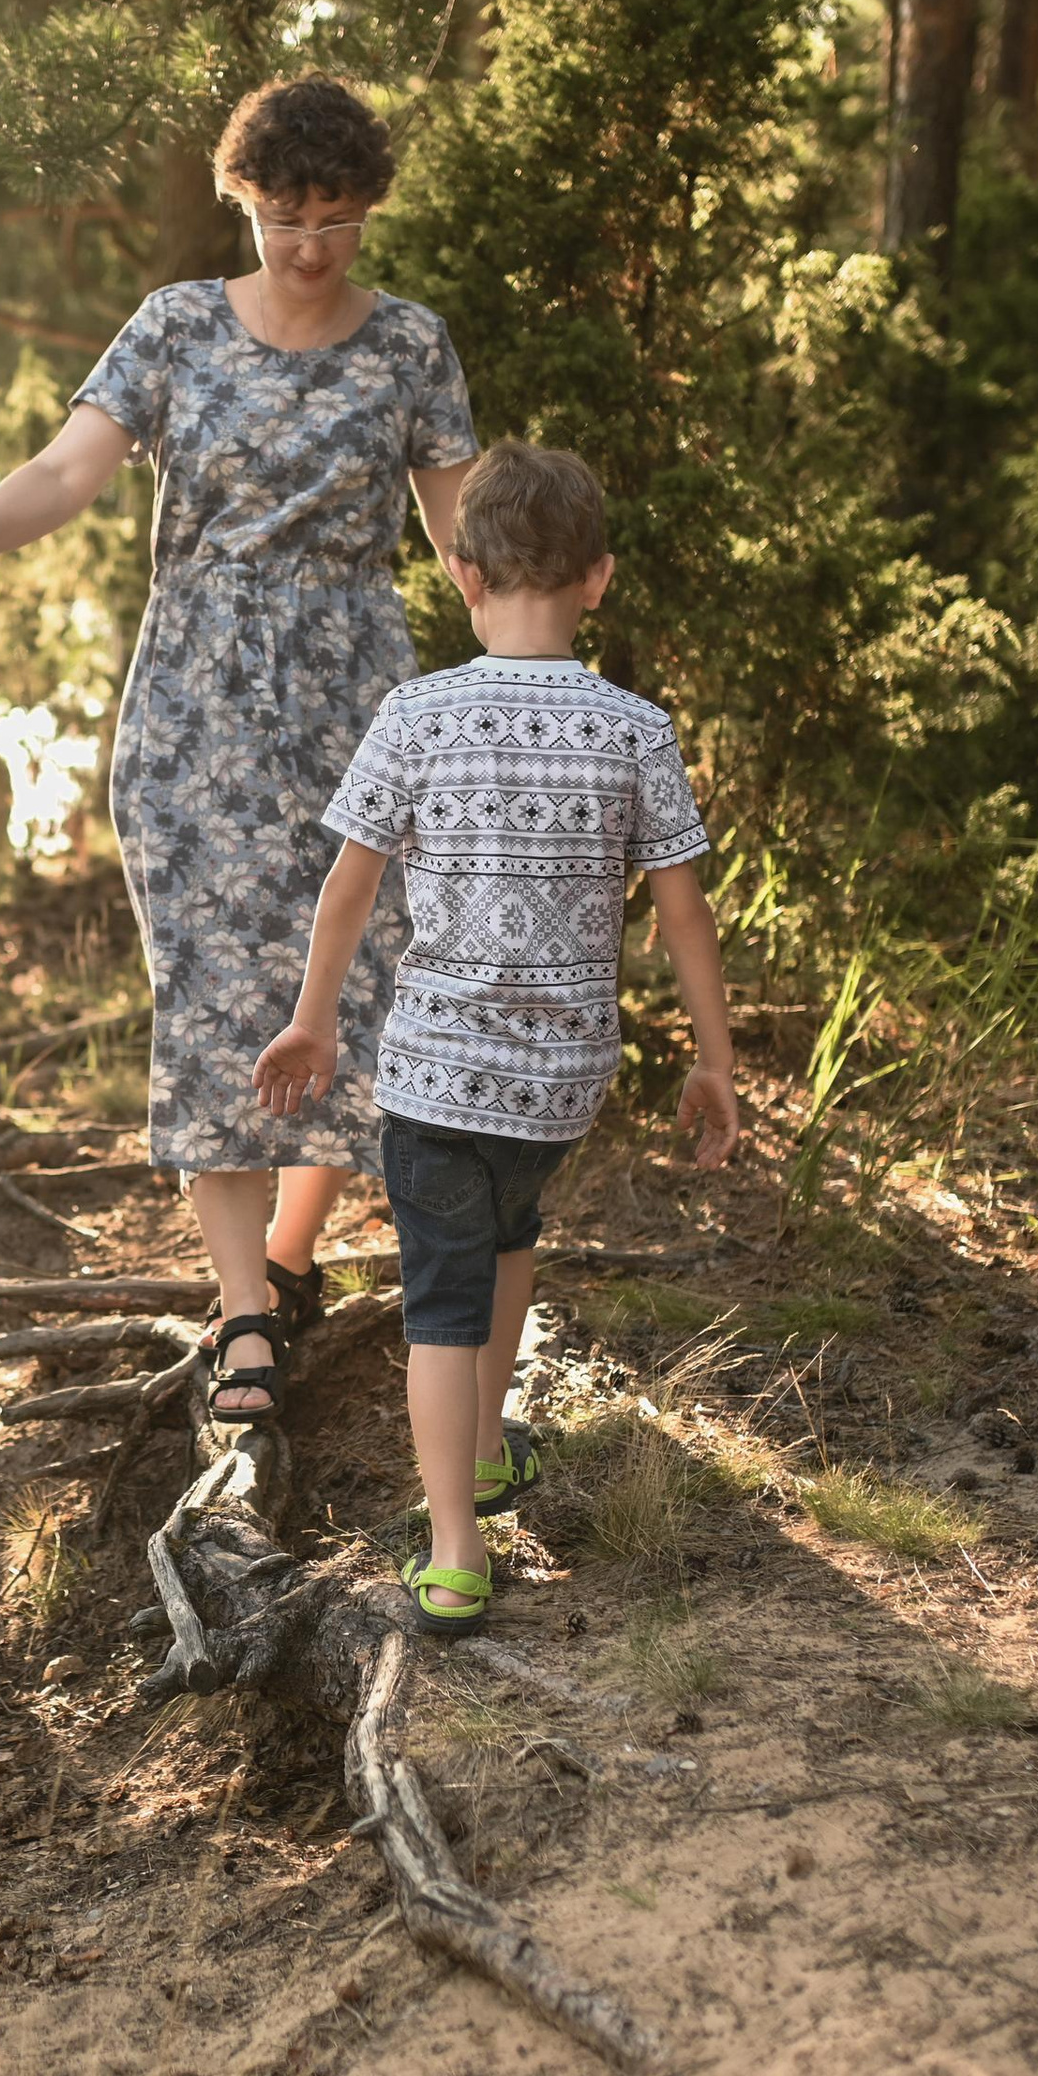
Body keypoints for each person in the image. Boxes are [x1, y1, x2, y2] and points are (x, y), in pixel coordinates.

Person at [0, 72, 481, 1424]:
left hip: (356, 699)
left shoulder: (411, 348)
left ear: (370, 212)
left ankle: (287, 1258)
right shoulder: (172, 330)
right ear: (243, 202)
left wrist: (542, 674)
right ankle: (241, 1319)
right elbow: (62, 473)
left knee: (364, 986)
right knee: (216, 999)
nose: (312, 247)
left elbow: (466, 545)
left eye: (340, 220)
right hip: (196, 706)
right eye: (284, 216)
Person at [250, 441, 742, 1636]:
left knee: (439, 1301)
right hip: (560, 1080)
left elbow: (349, 888)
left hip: (435, 1071)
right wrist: (714, 1059)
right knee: (509, 1237)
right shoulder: (635, 728)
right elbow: (684, 913)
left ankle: (457, 1548)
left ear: (462, 576)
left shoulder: (418, 713)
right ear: (598, 578)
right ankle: (479, 1452)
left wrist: (312, 1019)